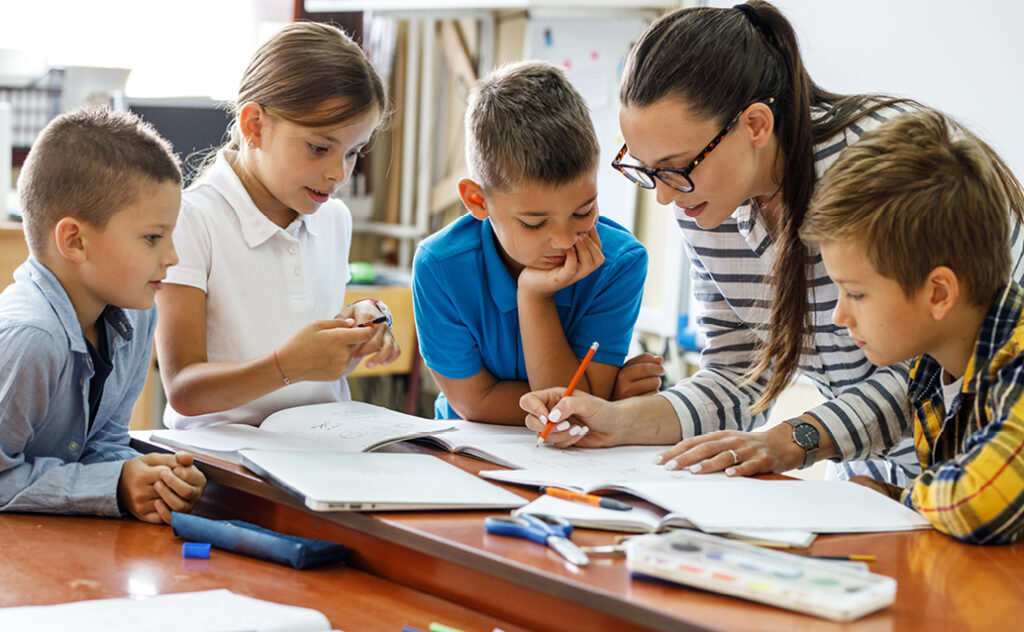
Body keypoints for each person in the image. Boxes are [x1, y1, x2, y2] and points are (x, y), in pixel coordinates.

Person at [520, 1, 1024, 482]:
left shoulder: (876, 174)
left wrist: (796, 437)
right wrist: (618, 421)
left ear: (755, 124)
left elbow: (933, 364)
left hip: (979, 460)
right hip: (875, 482)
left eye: (676, 170)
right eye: (648, 171)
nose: (665, 198)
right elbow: (738, 373)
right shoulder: (704, 200)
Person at [157, 22, 400, 429]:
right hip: (225, 461)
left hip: (322, 444)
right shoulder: (192, 219)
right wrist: (286, 365)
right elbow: (183, 390)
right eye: (319, 148)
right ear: (254, 125)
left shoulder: (335, 218)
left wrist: (356, 325)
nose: (337, 174)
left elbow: (305, 346)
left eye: (354, 152)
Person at [799, 110, 1024, 544]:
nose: (839, 316)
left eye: (857, 294)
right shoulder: (932, 371)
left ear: (939, 294)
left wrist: (896, 501)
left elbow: (979, 502)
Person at [412, 61, 658, 424]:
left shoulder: (619, 263)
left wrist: (534, 298)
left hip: (573, 464)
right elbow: (475, 404)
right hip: (464, 454)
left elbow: (573, 412)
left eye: (583, 210)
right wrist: (605, 399)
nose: (563, 239)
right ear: (478, 201)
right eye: (534, 222)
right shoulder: (440, 267)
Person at [0, 107, 206, 524]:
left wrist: (148, 480)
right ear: (75, 241)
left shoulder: (137, 315)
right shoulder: (31, 337)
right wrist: (108, 485)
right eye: (152, 238)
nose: (172, 257)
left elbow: (103, 441)